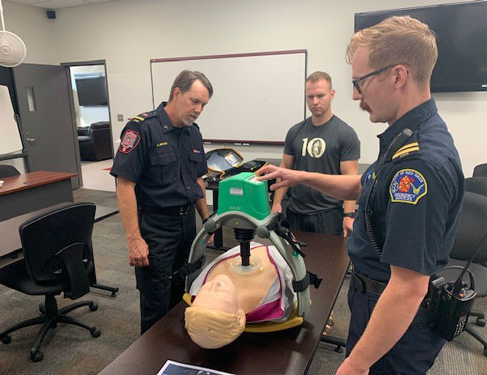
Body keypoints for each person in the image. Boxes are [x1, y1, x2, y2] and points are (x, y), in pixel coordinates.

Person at [256, 16, 464, 375]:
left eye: (360, 82)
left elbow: (409, 288)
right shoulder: (405, 137)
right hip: (372, 298)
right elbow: (365, 184)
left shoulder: (419, 164)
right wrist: (297, 175)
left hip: (395, 313)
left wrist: (356, 364)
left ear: (398, 76)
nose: (356, 95)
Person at [111, 70, 213, 334]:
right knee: (156, 297)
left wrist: (206, 219)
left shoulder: (193, 133)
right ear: (176, 94)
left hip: (187, 224)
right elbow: (124, 186)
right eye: (194, 101)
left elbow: (198, 179)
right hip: (156, 226)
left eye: (203, 104)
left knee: (183, 290)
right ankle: (150, 361)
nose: (198, 109)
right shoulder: (142, 128)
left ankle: (174, 353)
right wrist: (134, 238)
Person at [272, 71, 360, 238]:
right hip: (295, 211)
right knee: (295, 261)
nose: (315, 102)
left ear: (332, 94)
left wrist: (348, 216)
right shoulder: (295, 132)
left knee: (327, 262)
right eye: (310, 97)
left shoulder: (345, 134)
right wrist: (277, 203)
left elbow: (350, 177)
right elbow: (285, 167)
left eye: (320, 95)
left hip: (327, 214)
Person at [185, 243, 297, 348]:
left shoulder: (196, 288)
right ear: (239, 317)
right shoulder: (268, 300)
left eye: (205, 291)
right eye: (218, 293)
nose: (215, 283)